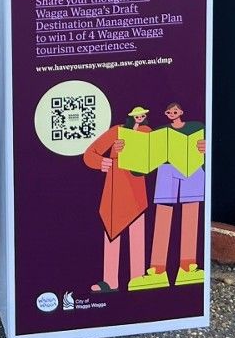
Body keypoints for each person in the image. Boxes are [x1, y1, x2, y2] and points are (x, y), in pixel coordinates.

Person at [134, 102, 207, 289]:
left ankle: (188, 266)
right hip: (167, 168)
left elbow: (210, 144)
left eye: (175, 111)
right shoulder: (161, 130)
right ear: (166, 113)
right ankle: (157, 270)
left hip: (192, 166)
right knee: (163, 214)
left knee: (191, 212)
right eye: (169, 111)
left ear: (181, 112)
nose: (172, 114)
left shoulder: (197, 127)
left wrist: (205, 147)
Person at [81, 106, 151, 293]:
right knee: (112, 232)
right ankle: (110, 281)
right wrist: (106, 161)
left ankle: (137, 278)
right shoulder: (117, 131)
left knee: (137, 234)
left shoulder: (147, 133)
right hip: (115, 188)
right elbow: (89, 154)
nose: (140, 118)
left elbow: (156, 157)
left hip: (137, 190)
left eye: (143, 115)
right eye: (137, 115)